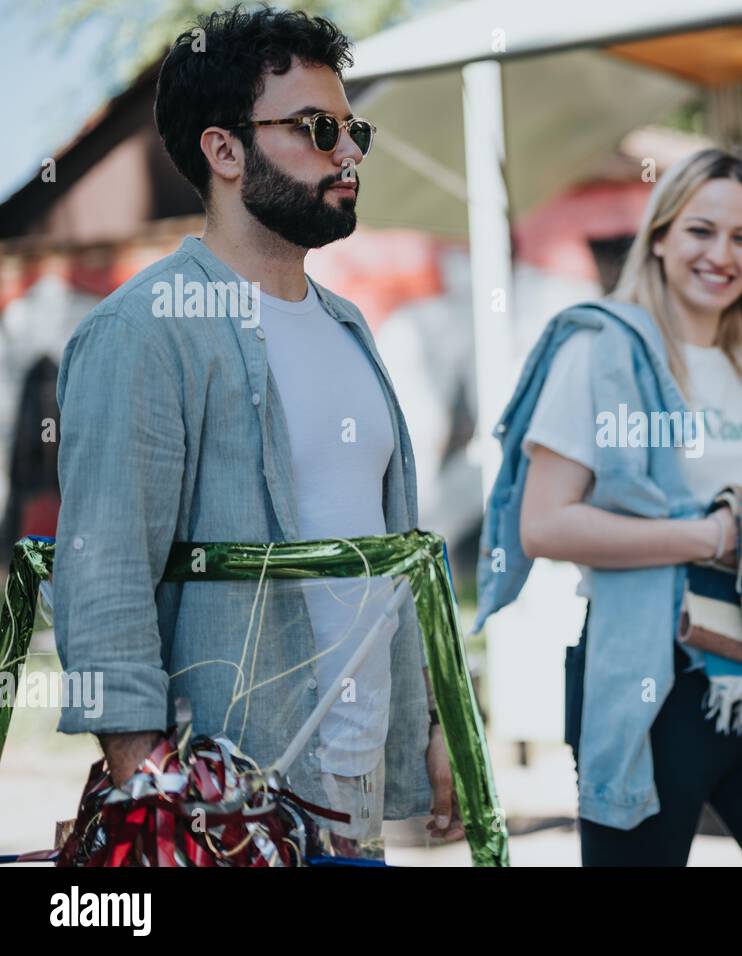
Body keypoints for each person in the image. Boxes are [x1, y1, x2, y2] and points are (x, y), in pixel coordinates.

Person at [52, 7, 462, 857]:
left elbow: (387, 554)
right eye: (318, 129)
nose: (348, 154)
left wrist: (429, 724)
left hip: (352, 804)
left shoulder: (350, 327)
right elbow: (104, 575)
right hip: (228, 808)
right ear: (224, 150)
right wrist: (153, 804)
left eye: (354, 130)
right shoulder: (144, 331)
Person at [475, 149, 742, 866]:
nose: (723, 255)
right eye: (701, 231)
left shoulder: (735, 366)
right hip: (654, 684)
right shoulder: (601, 348)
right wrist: (707, 537)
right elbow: (545, 522)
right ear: (659, 236)